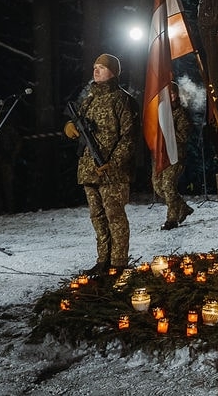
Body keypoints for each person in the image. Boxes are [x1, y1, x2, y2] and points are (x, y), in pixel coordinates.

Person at [63, 53, 137, 275]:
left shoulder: (123, 100)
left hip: (113, 171)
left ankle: (119, 262)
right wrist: (69, 127)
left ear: (113, 72)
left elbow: (129, 138)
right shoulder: (89, 100)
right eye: (95, 67)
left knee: (115, 217)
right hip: (89, 169)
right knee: (97, 217)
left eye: (102, 68)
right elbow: (76, 123)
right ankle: (103, 259)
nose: (96, 71)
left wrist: (113, 163)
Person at [152, 82, 193, 231]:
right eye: (168, 93)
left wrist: (168, 131)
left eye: (173, 93)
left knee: (168, 186)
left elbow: (183, 136)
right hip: (160, 155)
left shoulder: (181, 113)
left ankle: (172, 219)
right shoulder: (158, 112)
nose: (171, 96)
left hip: (175, 155)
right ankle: (183, 207)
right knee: (158, 186)